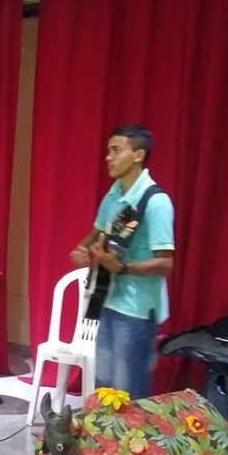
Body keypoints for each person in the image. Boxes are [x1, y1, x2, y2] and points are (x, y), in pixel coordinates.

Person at [69, 124, 175, 400]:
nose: (108, 157)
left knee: (129, 389)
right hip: (107, 299)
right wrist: (83, 247)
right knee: (103, 383)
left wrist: (124, 268)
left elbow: (166, 263)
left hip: (136, 311)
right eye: (108, 151)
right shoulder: (115, 192)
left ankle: (132, 432)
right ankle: (104, 429)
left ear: (138, 155)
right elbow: (99, 230)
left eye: (116, 150)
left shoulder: (157, 202)